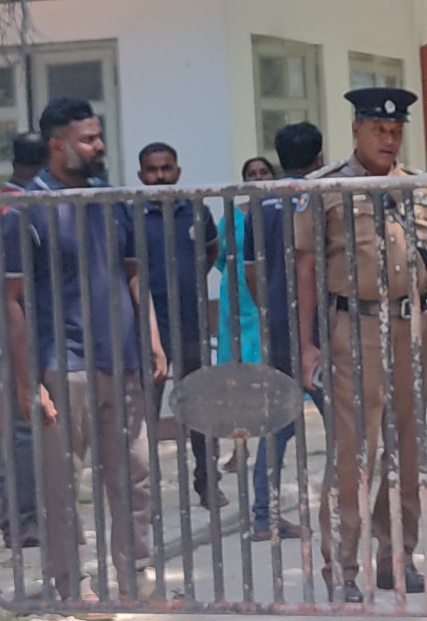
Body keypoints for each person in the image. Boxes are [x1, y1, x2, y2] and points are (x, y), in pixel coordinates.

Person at [295, 87, 427, 601]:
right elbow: (304, 265)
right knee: (354, 452)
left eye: (396, 131)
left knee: (408, 449)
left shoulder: (419, 186)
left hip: (414, 328)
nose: (388, 139)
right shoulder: (324, 188)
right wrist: (305, 345)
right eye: (378, 130)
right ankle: (342, 568)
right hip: (355, 329)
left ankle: (397, 556)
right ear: (356, 129)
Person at [0, 98, 166, 600]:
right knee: (63, 490)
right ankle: (72, 589)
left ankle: (137, 583)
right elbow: (11, 299)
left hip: (122, 360)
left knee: (134, 481)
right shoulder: (25, 211)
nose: (98, 147)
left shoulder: (110, 199)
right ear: (57, 145)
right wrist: (29, 382)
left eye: (98, 136)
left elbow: (133, 274)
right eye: (87, 139)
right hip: (61, 365)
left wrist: (152, 340)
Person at [243, 124, 325, 542]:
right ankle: (346, 510)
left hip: (277, 323)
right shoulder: (323, 195)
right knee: (346, 422)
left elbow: (252, 271)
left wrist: (270, 308)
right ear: (319, 157)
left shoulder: (261, 202)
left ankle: (263, 517)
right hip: (323, 327)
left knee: (277, 423)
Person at [137, 142, 223, 509]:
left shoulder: (196, 210)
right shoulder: (131, 214)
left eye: (166, 168)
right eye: (153, 170)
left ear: (178, 171)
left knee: (200, 407)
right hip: (149, 330)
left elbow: (211, 251)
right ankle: (145, 493)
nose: (160, 176)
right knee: (144, 415)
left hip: (191, 325)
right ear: (141, 175)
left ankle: (207, 483)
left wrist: (191, 281)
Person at [0, 131, 47, 548]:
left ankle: (24, 514)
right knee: (15, 426)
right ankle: (17, 518)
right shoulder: (8, 208)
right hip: (14, 330)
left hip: (21, 329)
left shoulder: (0, 205)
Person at [215, 155, 276, 474]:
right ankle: (240, 447)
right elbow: (218, 256)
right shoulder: (231, 217)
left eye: (263, 172)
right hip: (237, 304)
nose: (257, 178)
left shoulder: (281, 210)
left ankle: (270, 444)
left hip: (270, 299)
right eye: (250, 174)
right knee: (236, 377)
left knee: (266, 374)